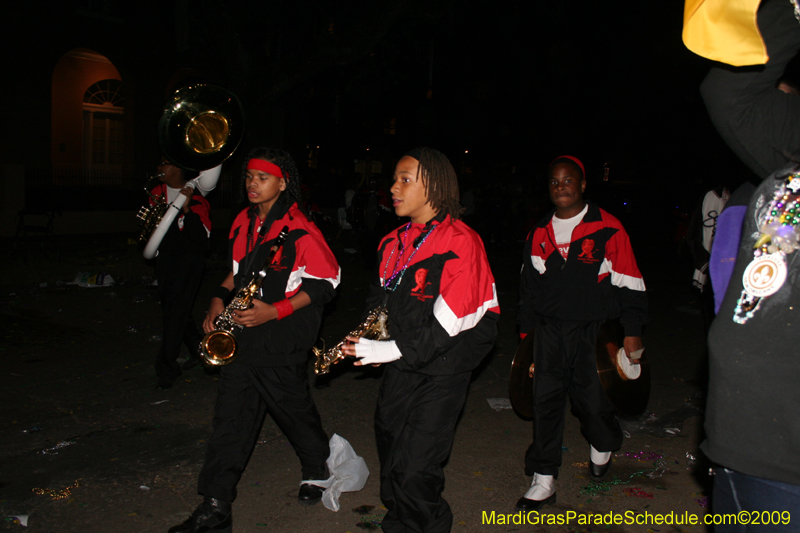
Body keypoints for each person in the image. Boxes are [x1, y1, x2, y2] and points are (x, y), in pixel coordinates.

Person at [168, 147, 341, 533]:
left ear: (283, 183)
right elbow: (236, 274)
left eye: (262, 178)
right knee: (231, 418)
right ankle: (215, 505)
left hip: (283, 335)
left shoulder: (300, 229)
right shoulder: (243, 222)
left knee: (291, 410)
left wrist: (273, 311)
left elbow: (327, 283)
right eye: (248, 176)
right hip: (245, 334)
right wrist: (217, 298)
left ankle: (316, 468)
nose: (252, 184)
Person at [340, 147, 500, 533]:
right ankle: (402, 521)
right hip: (404, 363)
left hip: (445, 367)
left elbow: (453, 321)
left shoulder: (462, 241)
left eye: (405, 179)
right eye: (394, 178)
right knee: (392, 453)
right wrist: (368, 338)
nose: (393, 187)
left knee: (416, 469)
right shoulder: (391, 242)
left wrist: (388, 349)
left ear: (433, 186)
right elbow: (379, 300)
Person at [515, 155, 647, 511]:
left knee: (592, 401)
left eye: (568, 181)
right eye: (555, 182)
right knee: (546, 403)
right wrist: (527, 339)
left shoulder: (608, 227)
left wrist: (632, 332)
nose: (561, 187)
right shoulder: (538, 233)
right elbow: (529, 291)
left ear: (583, 184)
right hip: (550, 332)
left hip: (593, 331)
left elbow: (630, 282)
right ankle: (543, 478)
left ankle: (603, 442)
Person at [151, 157, 215, 390]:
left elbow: (201, 240)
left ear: (178, 168)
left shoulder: (197, 199)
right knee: (176, 309)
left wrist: (186, 208)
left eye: (164, 164)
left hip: (189, 262)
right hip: (165, 260)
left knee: (175, 312)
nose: (159, 168)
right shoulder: (156, 192)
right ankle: (200, 351)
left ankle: (166, 367)